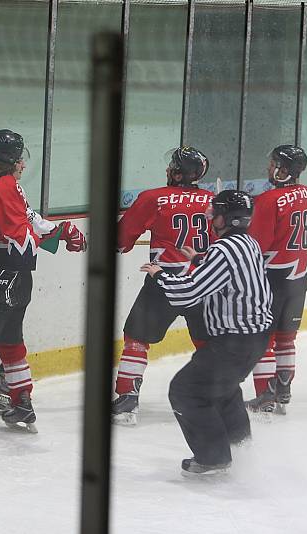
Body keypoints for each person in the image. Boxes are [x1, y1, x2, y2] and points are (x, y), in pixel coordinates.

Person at [0, 129, 86, 447]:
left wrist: (48, 237)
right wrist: (61, 231)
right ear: (16, 163)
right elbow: (29, 225)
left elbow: (22, 241)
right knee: (10, 343)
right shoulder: (13, 187)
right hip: (18, 280)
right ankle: (22, 406)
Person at [142, 190, 272, 476]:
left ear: (227, 218)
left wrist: (159, 275)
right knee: (223, 391)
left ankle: (213, 458)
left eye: (215, 213)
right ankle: (240, 450)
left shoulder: (223, 250)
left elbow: (189, 293)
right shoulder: (247, 243)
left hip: (234, 342)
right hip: (255, 338)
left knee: (186, 391)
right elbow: (231, 274)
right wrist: (202, 260)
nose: (210, 218)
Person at [112, 146, 214, 425]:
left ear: (179, 172)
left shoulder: (155, 198)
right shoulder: (212, 200)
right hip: (203, 280)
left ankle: (127, 400)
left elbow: (121, 239)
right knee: (208, 343)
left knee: (137, 338)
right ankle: (214, 397)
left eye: (172, 164)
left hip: (164, 280)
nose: (168, 168)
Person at [245, 145, 307, 414]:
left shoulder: (269, 200)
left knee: (262, 337)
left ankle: (264, 395)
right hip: (299, 277)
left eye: (273, 163)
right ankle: (283, 389)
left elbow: (257, 243)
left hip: (272, 276)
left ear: (284, 170)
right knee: (286, 337)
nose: (269, 167)